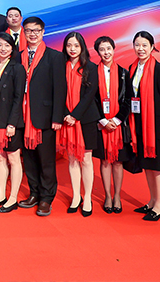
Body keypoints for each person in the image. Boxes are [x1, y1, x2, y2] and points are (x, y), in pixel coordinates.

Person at [16, 16, 66, 217]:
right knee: (29, 160)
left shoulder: (54, 57)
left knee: (46, 160)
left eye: (36, 30)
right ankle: (34, 193)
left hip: (44, 117)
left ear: (43, 32)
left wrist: (57, 117)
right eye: (28, 30)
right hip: (23, 117)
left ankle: (46, 198)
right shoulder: (18, 56)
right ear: (24, 32)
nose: (32, 34)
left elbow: (60, 89)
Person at [129, 31, 160, 222]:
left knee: (158, 165)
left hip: (154, 125)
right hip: (138, 123)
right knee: (146, 164)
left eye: (144, 45)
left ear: (152, 47)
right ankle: (152, 201)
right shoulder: (132, 68)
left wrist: (158, 118)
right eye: (137, 45)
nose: (140, 49)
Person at [60, 32, 101, 216]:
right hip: (66, 119)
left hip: (85, 119)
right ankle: (76, 196)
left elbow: (89, 96)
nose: (72, 49)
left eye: (76, 45)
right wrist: (65, 114)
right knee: (72, 159)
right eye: (69, 45)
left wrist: (75, 115)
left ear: (82, 47)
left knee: (85, 160)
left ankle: (88, 197)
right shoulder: (61, 66)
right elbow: (58, 93)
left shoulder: (91, 67)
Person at [0, 33, 25, 213]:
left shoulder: (17, 68)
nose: (3, 49)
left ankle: (13, 197)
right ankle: (2, 194)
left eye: (7, 45)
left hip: (10, 121)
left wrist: (12, 123)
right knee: (0, 158)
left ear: (12, 48)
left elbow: (19, 98)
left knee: (13, 158)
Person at [93, 35, 130, 214]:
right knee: (105, 161)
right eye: (102, 49)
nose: (106, 52)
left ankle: (117, 196)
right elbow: (92, 100)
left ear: (114, 49)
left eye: (108, 49)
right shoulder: (92, 72)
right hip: (101, 125)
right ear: (98, 52)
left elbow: (128, 100)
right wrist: (103, 120)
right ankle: (107, 195)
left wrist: (115, 120)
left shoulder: (124, 73)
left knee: (117, 162)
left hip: (118, 126)